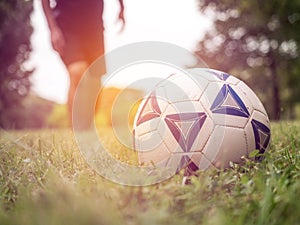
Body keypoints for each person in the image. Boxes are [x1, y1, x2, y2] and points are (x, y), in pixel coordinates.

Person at [41, 0, 125, 129]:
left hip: (94, 27)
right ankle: (75, 129)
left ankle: (86, 125)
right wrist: (53, 28)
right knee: (77, 72)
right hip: (67, 26)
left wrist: (121, 8)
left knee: (95, 81)